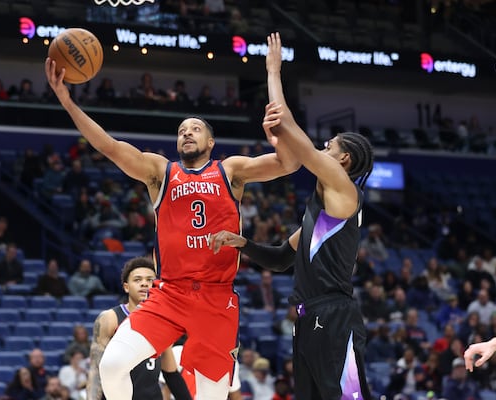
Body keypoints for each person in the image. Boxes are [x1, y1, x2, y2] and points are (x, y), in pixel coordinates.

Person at [45, 51, 297, 400]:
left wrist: (278, 130)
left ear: (211, 142)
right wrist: (67, 102)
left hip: (216, 298)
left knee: (212, 396)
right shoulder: (161, 172)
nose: (187, 133)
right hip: (170, 294)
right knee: (112, 365)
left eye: (195, 129)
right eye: (181, 131)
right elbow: (109, 147)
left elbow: (290, 163)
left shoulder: (231, 170)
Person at [209, 33, 374, 399]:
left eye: (328, 146)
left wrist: (272, 72)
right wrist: (244, 243)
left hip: (333, 317)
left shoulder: (345, 190)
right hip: (306, 318)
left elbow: (289, 128)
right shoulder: (319, 211)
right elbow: (283, 257)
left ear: (343, 160)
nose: (321, 148)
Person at [86, 256, 191, 400]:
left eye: (150, 280)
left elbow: (171, 373)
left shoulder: (163, 321)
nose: (144, 284)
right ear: (126, 287)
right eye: (137, 280)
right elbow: (96, 369)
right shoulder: (110, 318)